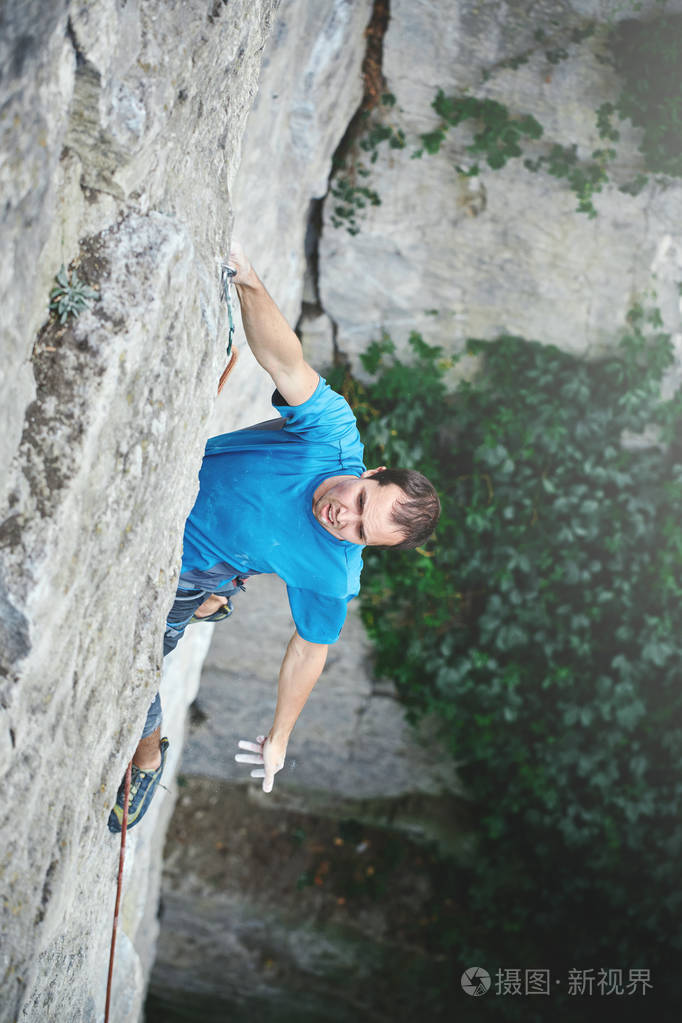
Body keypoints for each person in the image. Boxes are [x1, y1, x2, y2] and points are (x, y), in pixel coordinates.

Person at [108, 242, 440, 832]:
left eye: (363, 533)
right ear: (370, 472)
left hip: (189, 566)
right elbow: (285, 362)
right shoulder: (332, 435)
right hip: (183, 490)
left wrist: (280, 736)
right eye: (361, 502)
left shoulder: (333, 571)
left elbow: (310, 650)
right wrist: (252, 284)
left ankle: (148, 753)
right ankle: (220, 597)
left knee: (129, 664)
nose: (346, 519)